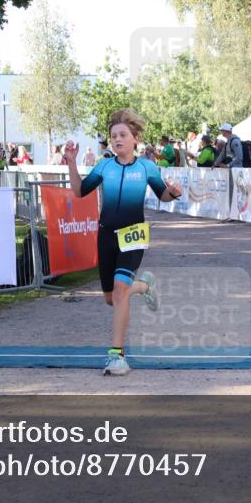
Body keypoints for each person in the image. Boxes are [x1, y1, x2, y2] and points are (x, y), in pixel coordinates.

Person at [64, 108, 183, 376]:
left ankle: (117, 356)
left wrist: (173, 193)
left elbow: (162, 195)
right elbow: (80, 191)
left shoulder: (146, 167)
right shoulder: (104, 166)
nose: (118, 140)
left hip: (134, 234)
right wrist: (71, 162)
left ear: (135, 138)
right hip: (106, 235)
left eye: (123, 135)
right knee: (111, 299)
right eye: (114, 136)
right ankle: (144, 286)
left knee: (119, 291)